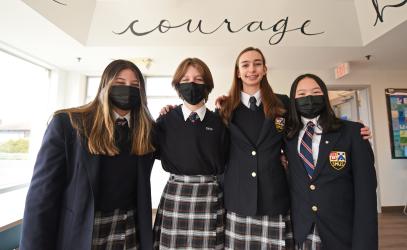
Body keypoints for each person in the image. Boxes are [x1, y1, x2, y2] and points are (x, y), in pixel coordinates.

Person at [20, 59, 156, 250]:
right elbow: (41, 197)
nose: (128, 89)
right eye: (119, 83)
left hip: (129, 228)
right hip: (83, 231)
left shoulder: (145, 132)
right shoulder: (68, 124)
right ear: (105, 85)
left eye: (135, 85)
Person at [284, 73, 378, 250]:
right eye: (302, 94)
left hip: (342, 230)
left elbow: (366, 190)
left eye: (315, 92)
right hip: (303, 230)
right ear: (293, 101)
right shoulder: (288, 136)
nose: (309, 98)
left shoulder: (353, 132)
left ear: (325, 96)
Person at [218, 47, 294, 249]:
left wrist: (349, 130)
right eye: (245, 64)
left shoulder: (282, 103)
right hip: (238, 196)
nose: (252, 69)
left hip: (274, 195)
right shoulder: (225, 108)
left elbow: (303, 130)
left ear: (265, 69)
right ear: (237, 72)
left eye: (257, 63)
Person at [153, 58, 228, 249]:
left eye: (198, 79)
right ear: (178, 86)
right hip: (175, 193)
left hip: (210, 194)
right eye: (185, 79)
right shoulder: (165, 121)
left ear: (208, 86)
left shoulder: (220, 122)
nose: (192, 84)